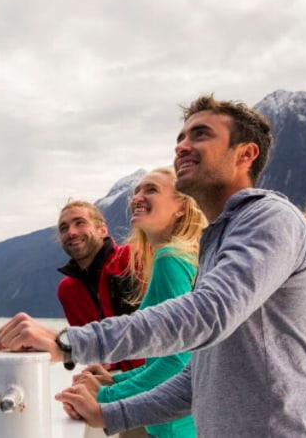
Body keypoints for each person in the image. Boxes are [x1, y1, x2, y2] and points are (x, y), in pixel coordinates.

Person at [0, 94, 306, 437]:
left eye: (200, 134)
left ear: (245, 154)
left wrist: (70, 343)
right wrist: (110, 414)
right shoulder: (217, 244)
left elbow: (208, 314)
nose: (182, 147)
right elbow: (197, 379)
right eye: (180, 138)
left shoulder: (270, 218)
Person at [72, 167, 206, 438]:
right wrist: (116, 379)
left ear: (181, 207)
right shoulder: (183, 257)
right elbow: (165, 358)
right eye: (136, 192)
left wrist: (107, 394)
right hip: (182, 424)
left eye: (151, 190)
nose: (137, 197)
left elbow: (179, 360)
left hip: (174, 430)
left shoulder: (171, 260)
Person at [56, 199, 143, 372]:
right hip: (115, 382)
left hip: (161, 375)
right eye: (64, 228)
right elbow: (90, 349)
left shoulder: (134, 257)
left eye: (79, 223)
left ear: (102, 230)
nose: (71, 232)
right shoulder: (67, 290)